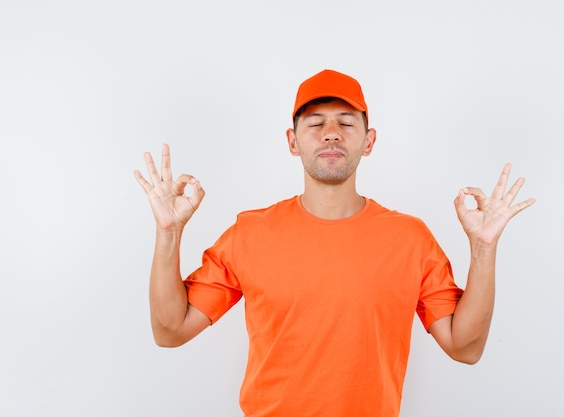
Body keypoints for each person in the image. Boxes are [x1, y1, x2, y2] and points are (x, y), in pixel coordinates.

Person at [134, 69, 535, 417]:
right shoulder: (250, 233)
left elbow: (465, 348)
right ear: (293, 141)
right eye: (315, 123)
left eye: (346, 122)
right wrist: (168, 233)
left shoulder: (411, 239)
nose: (330, 134)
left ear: (369, 140)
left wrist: (484, 249)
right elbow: (170, 332)